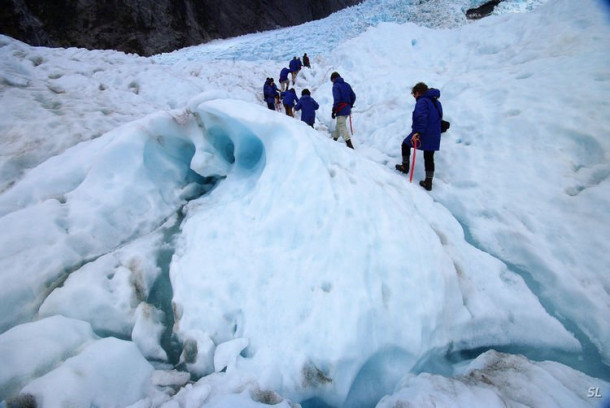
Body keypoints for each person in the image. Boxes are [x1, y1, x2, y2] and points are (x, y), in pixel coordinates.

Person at [395, 82, 443, 191]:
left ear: (418, 92)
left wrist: (418, 132)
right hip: (435, 133)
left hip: (423, 132)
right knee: (429, 157)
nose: (414, 97)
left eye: (414, 94)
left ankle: (405, 167)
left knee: (405, 145)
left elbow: (421, 117)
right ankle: (428, 182)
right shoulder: (436, 102)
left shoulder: (422, 101)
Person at [330, 72, 356, 149]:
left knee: (341, 125)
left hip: (340, 108)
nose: (332, 83)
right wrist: (350, 105)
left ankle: (350, 145)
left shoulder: (335, 86)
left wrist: (334, 110)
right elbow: (353, 96)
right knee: (339, 125)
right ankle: (334, 140)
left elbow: (337, 99)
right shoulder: (347, 85)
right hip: (347, 108)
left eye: (332, 81)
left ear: (333, 79)